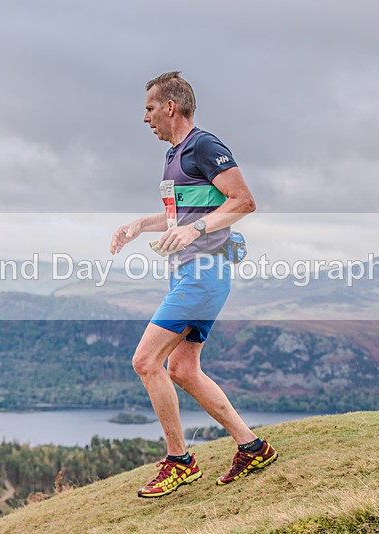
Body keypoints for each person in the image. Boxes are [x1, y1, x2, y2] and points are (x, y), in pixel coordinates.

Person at [110, 71, 277, 498]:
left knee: (145, 362)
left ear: (170, 106)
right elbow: (176, 220)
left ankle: (179, 460)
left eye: (149, 108)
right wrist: (138, 225)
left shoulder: (204, 145)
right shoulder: (173, 155)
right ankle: (252, 446)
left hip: (205, 273)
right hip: (187, 273)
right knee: (181, 369)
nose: (145, 118)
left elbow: (244, 201)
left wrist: (197, 230)